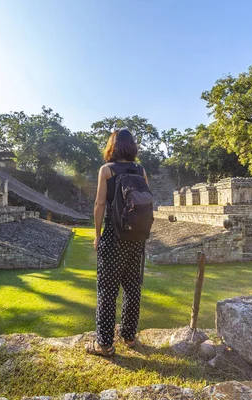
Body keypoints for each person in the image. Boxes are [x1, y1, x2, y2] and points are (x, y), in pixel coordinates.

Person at [85, 128, 149, 357]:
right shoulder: (140, 169)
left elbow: (99, 204)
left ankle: (104, 343)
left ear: (112, 146)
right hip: (137, 237)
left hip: (114, 236)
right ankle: (129, 336)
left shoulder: (107, 170)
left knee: (107, 290)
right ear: (131, 146)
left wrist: (97, 234)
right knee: (133, 288)